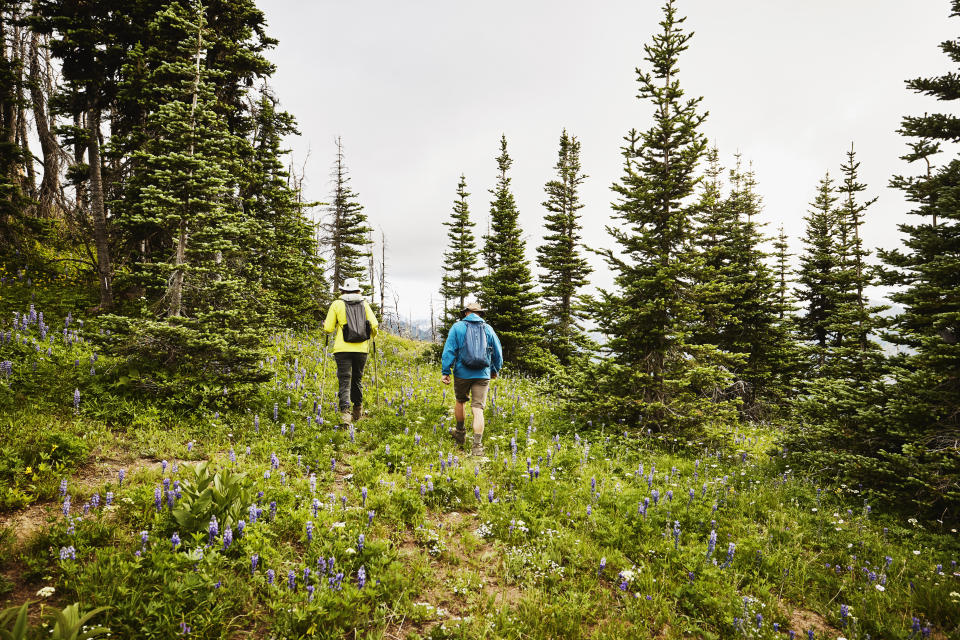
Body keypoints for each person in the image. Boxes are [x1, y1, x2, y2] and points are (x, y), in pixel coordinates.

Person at [441, 300, 503, 456]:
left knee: (460, 401)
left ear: (466, 313)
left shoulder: (457, 327)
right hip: (482, 374)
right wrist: (494, 369)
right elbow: (498, 353)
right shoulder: (488, 329)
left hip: (462, 373)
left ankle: (460, 433)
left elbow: (449, 350)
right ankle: (477, 446)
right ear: (480, 314)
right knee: (478, 409)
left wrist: (446, 371)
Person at [323, 277, 379, 425]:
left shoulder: (337, 304)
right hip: (361, 349)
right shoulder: (364, 304)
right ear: (358, 290)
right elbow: (374, 324)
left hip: (342, 349)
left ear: (343, 290)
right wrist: (371, 335)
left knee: (344, 379)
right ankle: (357, 410)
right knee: (357, 379)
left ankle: (345, 414)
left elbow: (328, 328)